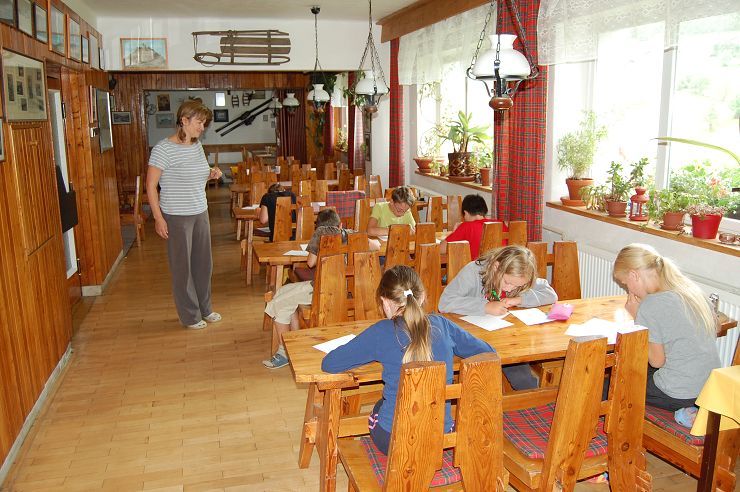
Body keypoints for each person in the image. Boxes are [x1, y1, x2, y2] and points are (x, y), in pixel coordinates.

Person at [321, 265, 494, 455]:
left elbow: (330, 364)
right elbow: (488, 352)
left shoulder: (380, 332)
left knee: (380, 406)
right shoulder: (443, 325)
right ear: (422, 297)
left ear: (385, 302)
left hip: (394, 442)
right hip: (440, 438)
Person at [263, 209, 381, 369]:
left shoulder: (319, 234)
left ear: (318, 226)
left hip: (323, 290)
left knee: (279, 303)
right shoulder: (352, 234)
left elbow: (310, 263)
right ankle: (295, 344)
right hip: (348, 289)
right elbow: (376, 245)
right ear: (340, 224)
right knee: (283, 292)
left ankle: (284, 352)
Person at [612, 243, 720, 416]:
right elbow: (713, 328)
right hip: (708, 388)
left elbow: (657, 362)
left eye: (625, 284)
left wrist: (638, 317)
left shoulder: (650, 305)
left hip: (679, 393)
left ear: (634, 275)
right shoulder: (691, 291)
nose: (628, 290)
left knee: (611, 384)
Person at [147, 100, 222, 330]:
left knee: (203, 264)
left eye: (204, 123)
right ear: (184, 120)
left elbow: (197, 174)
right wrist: (158, 218)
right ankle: (190, 315)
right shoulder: (163, 149)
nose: (202, 127)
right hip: (177, 216)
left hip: (200, 212)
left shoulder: (197, 146)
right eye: (199, 122)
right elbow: (151, 186)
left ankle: (205, 308)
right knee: (183, 268)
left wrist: (211, 174)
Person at [438, 245, 557, 389]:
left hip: (506, 341)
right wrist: (485, 307)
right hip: (471, 338)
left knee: (522, 378)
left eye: (517, 286)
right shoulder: (473, 271)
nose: (510, 288)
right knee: (480, 382)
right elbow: (445, 302)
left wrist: (520, 299)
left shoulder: (520, 275)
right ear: (496, 267)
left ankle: (530, 399)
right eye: (507, 282)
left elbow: (551, 294)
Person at [439, 194, 507, 258]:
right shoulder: (501, 224)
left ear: (465, 213)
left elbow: (441, 249)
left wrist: (454, 232)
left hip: (478, 265)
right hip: (503, 265)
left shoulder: (466, 226)